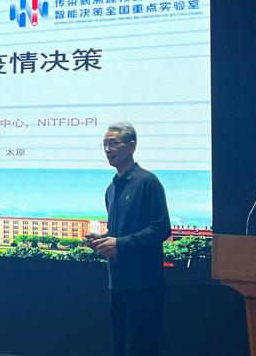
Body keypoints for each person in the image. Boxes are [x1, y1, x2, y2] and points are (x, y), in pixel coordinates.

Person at [85, 121, 171, 356]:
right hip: (117, 282)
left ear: (132, 146)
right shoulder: (111, 188)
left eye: (113, 143)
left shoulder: (148, 182)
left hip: (144, 285)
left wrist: (119, 244)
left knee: (139, 349)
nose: (107, 149)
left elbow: (161, 228)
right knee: (121, 349)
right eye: (104, 144)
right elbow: (118, 232)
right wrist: (102, 240)